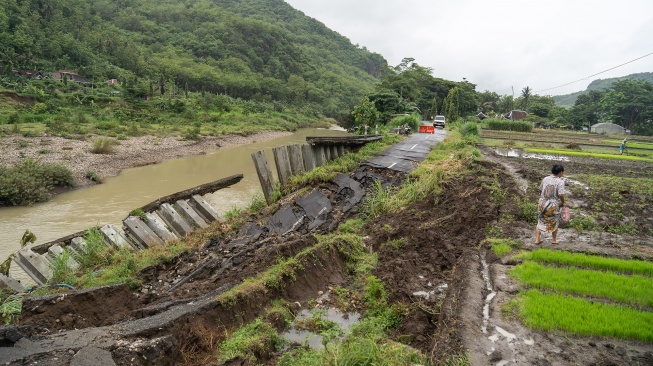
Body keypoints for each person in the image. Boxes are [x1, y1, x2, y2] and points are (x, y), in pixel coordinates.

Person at [534, 165, 566, 245]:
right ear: (561, 172)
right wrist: (563, 202)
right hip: (552, 205)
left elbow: (540, 189)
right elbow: (561, 194)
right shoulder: (560, 181)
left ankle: (537, 239)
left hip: (542, 202)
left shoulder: (545, 178)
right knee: (555, 220)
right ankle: (554, 240)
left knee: (540, 220)